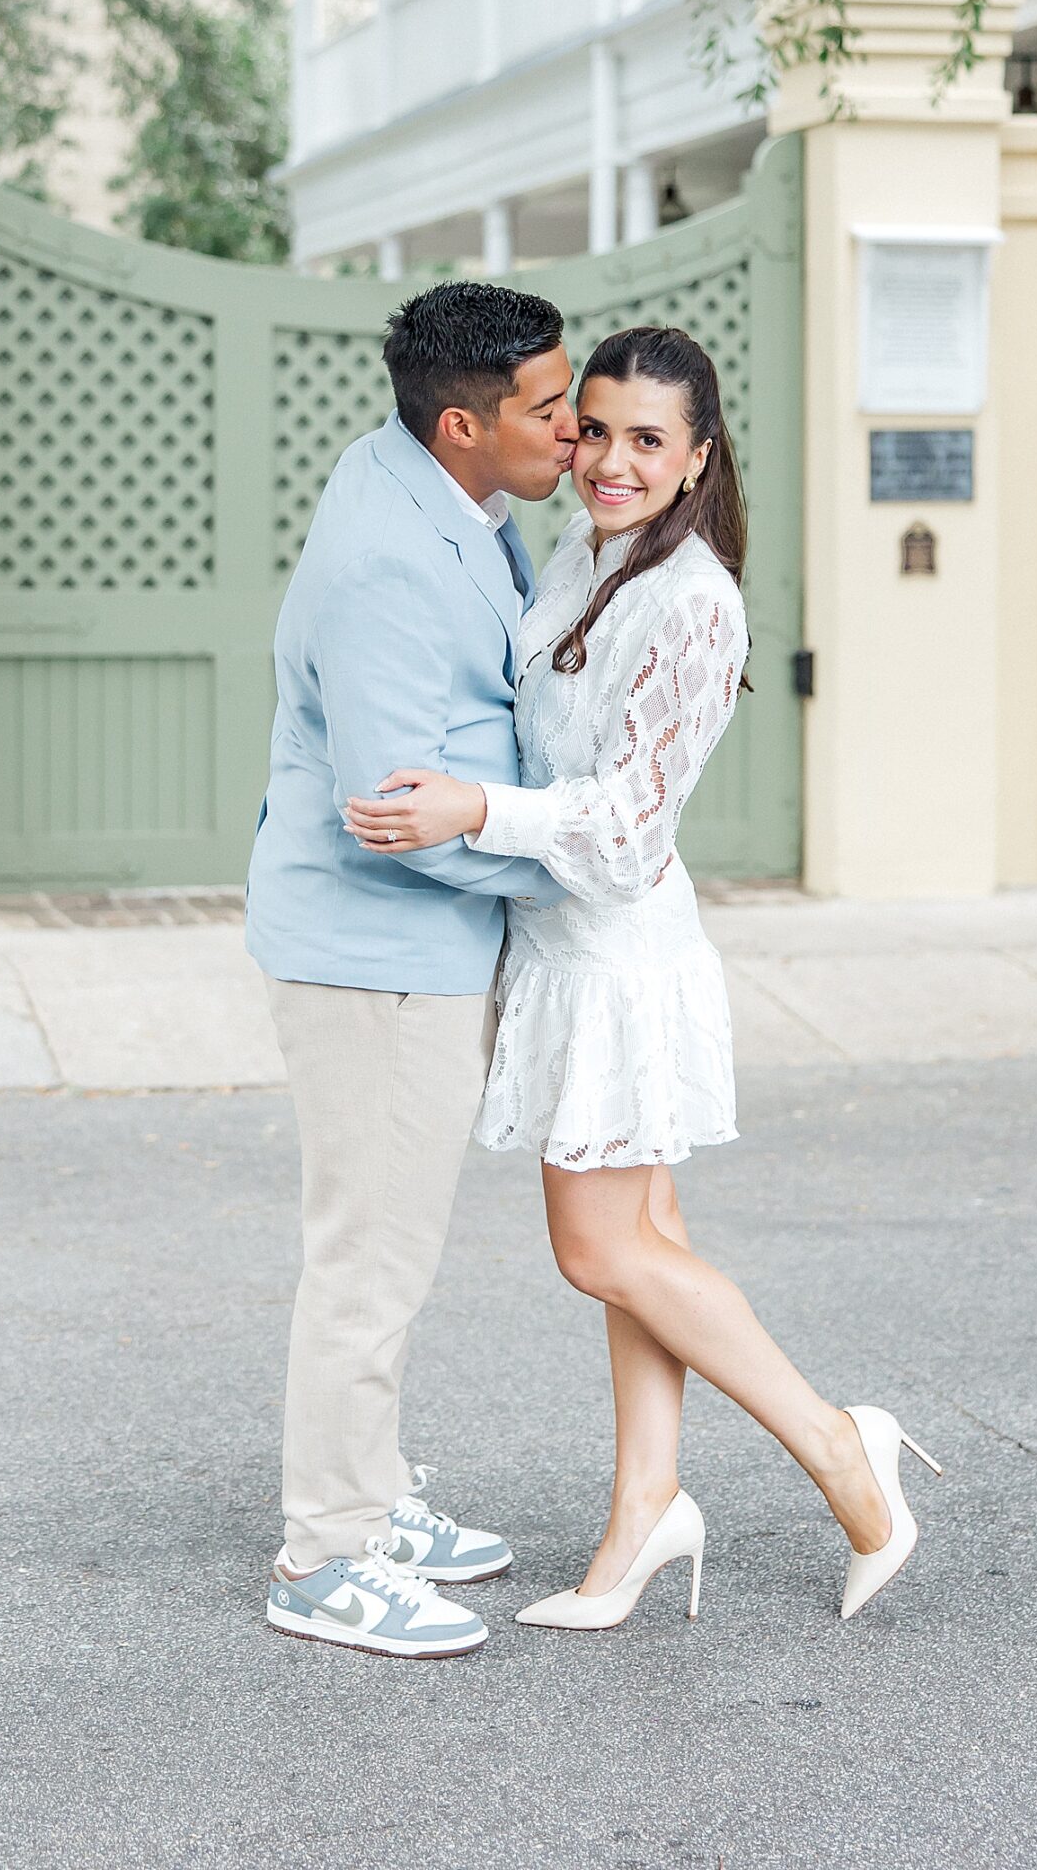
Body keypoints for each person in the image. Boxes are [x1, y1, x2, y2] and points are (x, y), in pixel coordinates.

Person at [347, 325, 942, 1630]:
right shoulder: (592, 548)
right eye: (596, 429)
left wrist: (470, 812)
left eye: (646, 441)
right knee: (644, 1254)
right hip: (568, 951)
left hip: (618, 959)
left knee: (599, 1250)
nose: (609, 460)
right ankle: (645, 1515)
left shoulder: (695, 604)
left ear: (698, 459)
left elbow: (621, 835)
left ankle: (848, 1451)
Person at [245, 280, 579, 1658]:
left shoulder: (426, 487)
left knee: (389, 1247)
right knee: (369, 1259)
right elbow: (393, 809)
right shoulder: (388, 554)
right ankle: (325, 1556)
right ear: (463, 423)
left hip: (412, 948)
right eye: (548, 410)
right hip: (378, 954)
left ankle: (374, 1499)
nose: (575, 430)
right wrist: (564, 862)